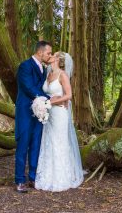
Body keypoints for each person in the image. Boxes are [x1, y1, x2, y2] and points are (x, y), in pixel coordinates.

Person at [35, 51, 84, 192]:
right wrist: (42, 103)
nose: (49, 56)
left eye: (53, 55)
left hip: (60, 114)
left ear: (57, 59)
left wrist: (54, 101)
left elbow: (68, 95)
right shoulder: (48, 74)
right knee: (48, 141)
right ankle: (47, 176)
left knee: (59, 142)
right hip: (48, 113)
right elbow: (45, 93)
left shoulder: (63, 75)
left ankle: (62, 177)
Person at [14, 40, 53, 193]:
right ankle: (19, 180)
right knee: (23, 145)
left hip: (40, 113)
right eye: (48, 53)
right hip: (25, 112)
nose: (49, 55)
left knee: (36, 145)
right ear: (40, 52)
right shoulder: (25, 66)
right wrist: (49, 99)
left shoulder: (44, 70)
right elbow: (29, 87)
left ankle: (33, 178)